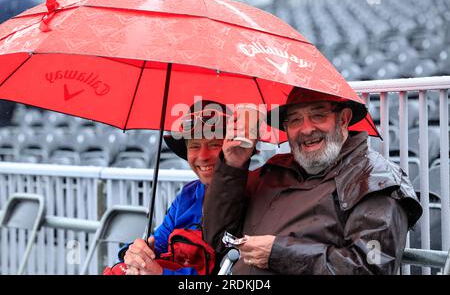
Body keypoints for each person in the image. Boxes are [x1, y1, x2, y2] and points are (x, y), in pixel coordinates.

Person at [202, 87, 423, 275]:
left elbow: (372, 266)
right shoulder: (273, 170)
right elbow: (219, 238)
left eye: (318, 115)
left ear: (344, 119)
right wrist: (232, 166)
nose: (306, 129)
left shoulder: (375, 180)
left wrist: (279, 253)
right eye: (295, 119)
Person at [109, 100, 232, 275]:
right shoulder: (187, 195)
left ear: (232, 148)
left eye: (214, 145)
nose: (203, 156)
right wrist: (134, 252)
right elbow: (157, 243)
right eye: (195, 146)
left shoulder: (253, 196)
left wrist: (161, 274)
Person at [0, 0, 40, 127]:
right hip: (28, 70)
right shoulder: (34, 6)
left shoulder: (1, 4)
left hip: (3, 69)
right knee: (35, 121)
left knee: (3, 122)